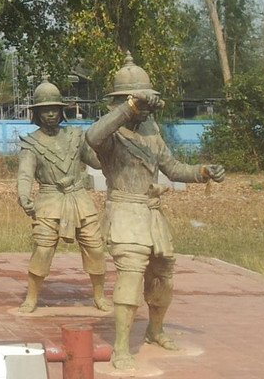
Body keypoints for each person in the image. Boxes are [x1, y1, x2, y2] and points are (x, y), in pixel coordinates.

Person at [86, 52, 225, 371]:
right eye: (138, 102)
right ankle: (121, 346)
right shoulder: (111, 132)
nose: (144, 109)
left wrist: (202, 171)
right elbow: (91, 137)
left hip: (151, 213)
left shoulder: (151, 132)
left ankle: (155, 329)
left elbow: (172, 167)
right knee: (130, 278)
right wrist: (128, 108)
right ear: (123, 101)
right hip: (124, 211)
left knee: (163, 275)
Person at [16, 77, 110, 313]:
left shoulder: (75, 137)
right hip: (49, 201)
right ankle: (32, 297)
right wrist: (23, 195)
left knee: (95, 247)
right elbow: (25, 175)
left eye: (54, 110)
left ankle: (99, 295)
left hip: (80, 199)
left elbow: (99, 163)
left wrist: (110, 149)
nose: (50, 115)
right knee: (43, 249)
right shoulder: (31, 144)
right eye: (45, 110)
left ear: (61, 111)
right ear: (37, 114)